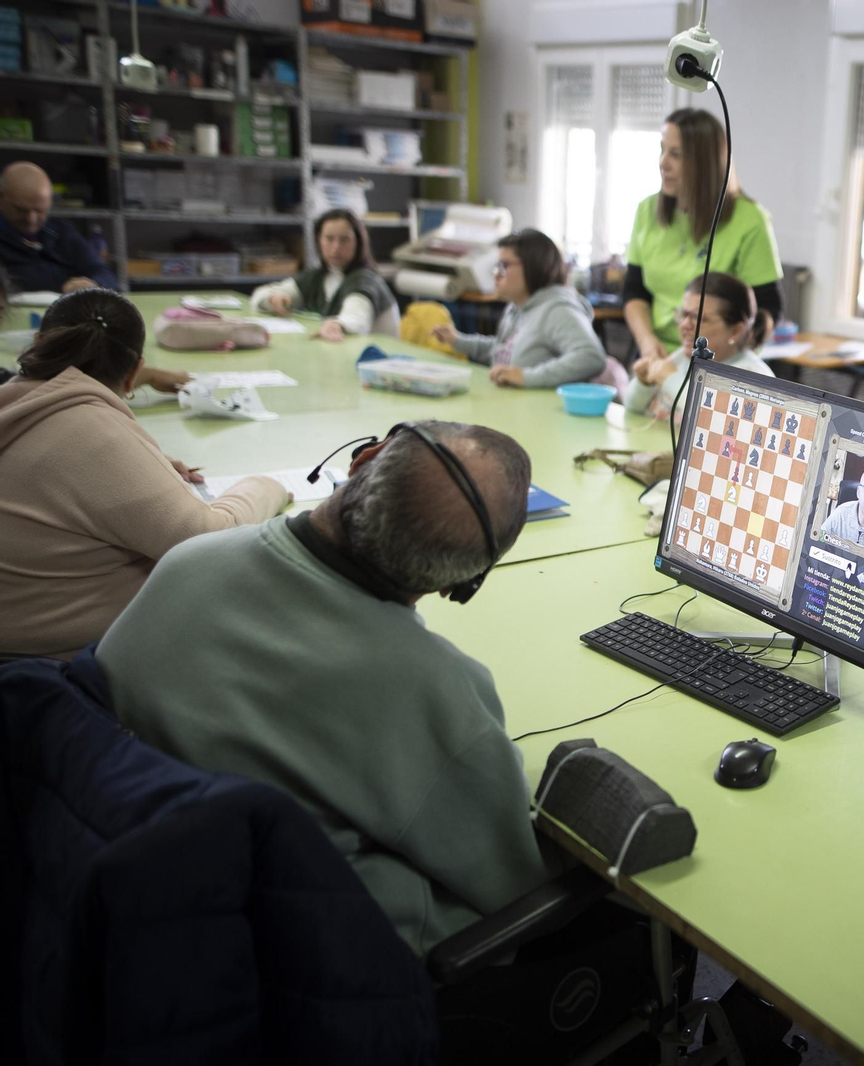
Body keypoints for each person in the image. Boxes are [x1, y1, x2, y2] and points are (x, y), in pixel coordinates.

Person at [96, 420, 555, 956]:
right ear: (461, 584)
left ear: (360, 462)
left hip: (122, 889)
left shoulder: (189, 561)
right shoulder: (434, 691)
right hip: (303, 959)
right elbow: (512, 882)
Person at [0, 289, 289, 659]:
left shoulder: (16, 402)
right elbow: (208, 544)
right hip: (60, 669)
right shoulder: (93, 437)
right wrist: (266, 486)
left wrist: (137, 461)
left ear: (38, 343)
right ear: (136, 369)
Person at [623, 108, 782, 367]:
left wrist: (726, 358)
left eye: (676, 154)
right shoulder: (647, 210)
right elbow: (634, 291)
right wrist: (646, 342)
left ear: (704, 162)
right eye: (662, 150)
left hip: (716, 362)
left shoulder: (750, 219)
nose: (663, 162)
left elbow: (767, 309)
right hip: (659, 357)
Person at [430, 228, 606, 388]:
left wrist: (527, 377)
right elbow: (503, 349)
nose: (497, 274)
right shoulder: (516, 306)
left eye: (504, 266)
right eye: (496, 267)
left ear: (533, 266)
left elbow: (591, 357)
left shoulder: (558, 310)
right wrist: (457, 340)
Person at [624, 271, 774, 425]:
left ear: (736, 331)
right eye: (683, 314)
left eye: (699, 318)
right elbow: (631, 410)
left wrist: (670, 379)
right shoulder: (682, 357)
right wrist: (644, 384)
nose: (684, 325)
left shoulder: (753, 377)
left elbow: (718, 423)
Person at [251, 208, 398, 341]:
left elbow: (357, 317)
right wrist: (273, 299)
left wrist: (338, 325)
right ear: (318, 241)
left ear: (358, 243)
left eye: (344, 240)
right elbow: (259, 296)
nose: (336, 247)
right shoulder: (319, 276)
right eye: (329, 238)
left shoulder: (364, 279)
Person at [0, 162, 117, 292]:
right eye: (21, 210)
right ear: (1, 197)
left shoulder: (62, 232)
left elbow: (104, 273)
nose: (31, 220)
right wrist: (60, 283)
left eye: (40, 211)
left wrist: (93, 285)